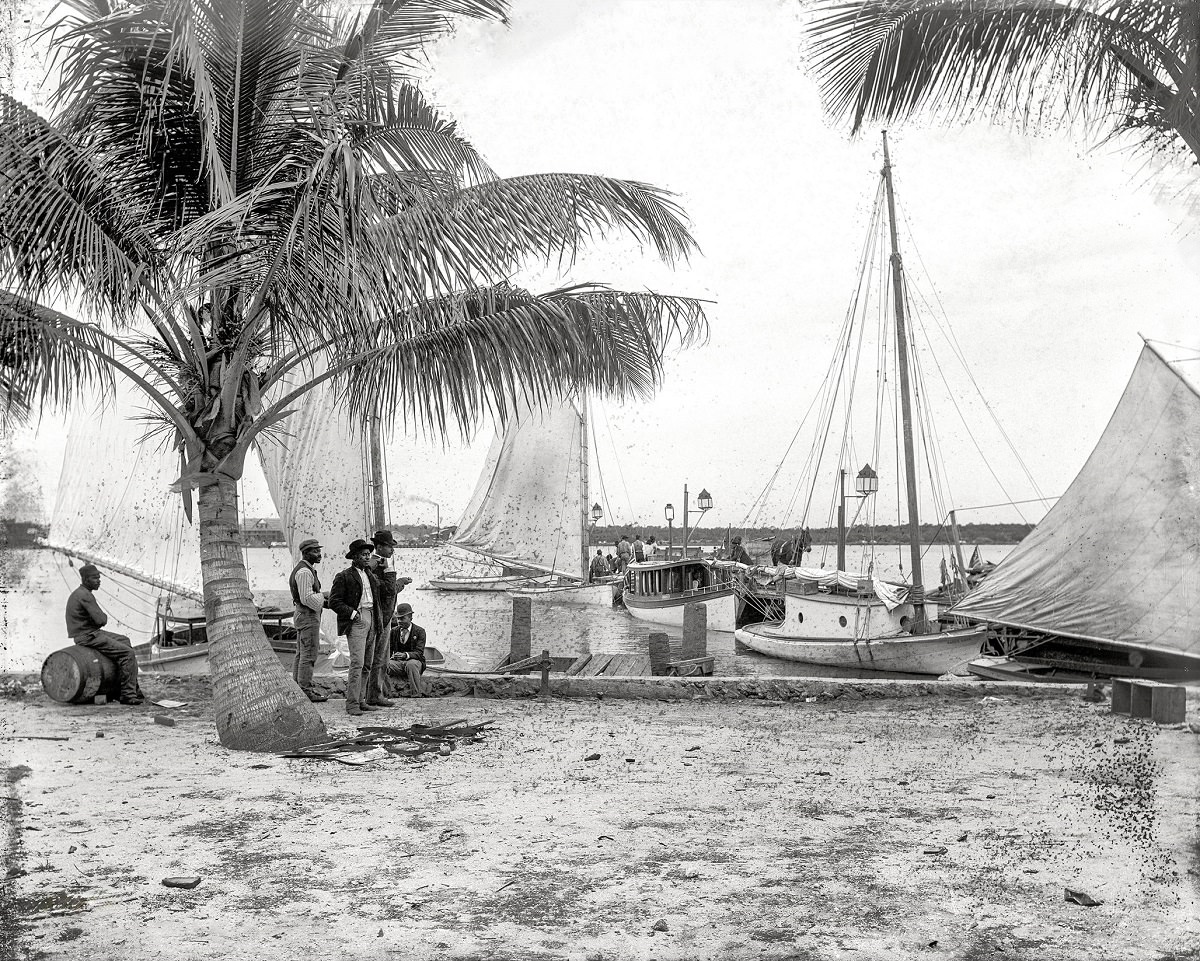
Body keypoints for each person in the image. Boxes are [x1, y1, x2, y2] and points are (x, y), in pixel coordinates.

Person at [65, 565, 142, 705]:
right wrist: (102, 618)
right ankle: (127, 694)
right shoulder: (85, 595)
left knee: (125, 640)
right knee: (128, 654)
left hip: (89, 633)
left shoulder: (80, 593)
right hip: (88, 636)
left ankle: (131, 689)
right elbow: (101, 620)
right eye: (95, 578)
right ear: (85, 579)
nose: (98, 581)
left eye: (99, 578)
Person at [328, 539, 382, 717]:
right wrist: (353, 614)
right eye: (364, 555)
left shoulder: (370, 575)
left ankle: (361, 700)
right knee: (357, 663)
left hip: (372, 617)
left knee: (367, 663)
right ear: (355, 557)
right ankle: (351, 704)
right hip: (357, 619)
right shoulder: (344, 576)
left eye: (368, 555)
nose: (367, 557)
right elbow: (334, 602)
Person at [365, 530, 414, 708]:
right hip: (380, 618)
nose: (392, 550)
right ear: (379, 547)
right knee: (378, 659)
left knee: (381, 659)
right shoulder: (376, 565)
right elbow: (388, 590)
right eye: (389, 546)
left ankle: (377, 694)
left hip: (384, 617)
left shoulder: (378, 563)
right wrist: (396, 577)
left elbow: (389, 589)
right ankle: (374, 696)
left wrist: (399, 582)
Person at [288, 538, 328, 702]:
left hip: (302, 615)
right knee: (309, 655)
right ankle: (305, 690)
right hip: (308, 615)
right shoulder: (305, 572)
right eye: (315, 551)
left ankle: (298, 688)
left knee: (301, 654)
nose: (319, 554)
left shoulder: (304, 569)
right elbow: (307, 599)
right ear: (305, 553)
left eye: (319, 550)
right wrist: (323, 596)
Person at [386, 602, 428, 697]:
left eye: (402, 618)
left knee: (411, 664)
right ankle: (387, 693)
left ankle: (416, 693)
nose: (399, 621)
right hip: (398, 664)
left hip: (415, 663)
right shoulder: (393, 631)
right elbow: (389, 651)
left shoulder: (420, 631)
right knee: (383, 665)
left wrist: (406, 655)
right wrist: (388, 659)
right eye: (398, 618)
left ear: (410, 618)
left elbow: (419, 653)